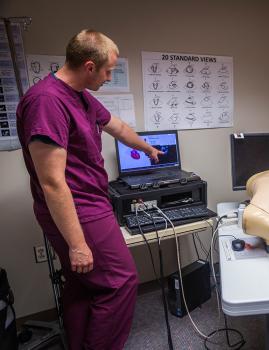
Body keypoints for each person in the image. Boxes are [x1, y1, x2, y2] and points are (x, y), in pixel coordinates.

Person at [16, 30, 163, 350]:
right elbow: (53, 182)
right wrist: (78, 244)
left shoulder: (79, 94)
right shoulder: (47, 102)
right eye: (109, 70)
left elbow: (118, 127)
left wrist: (147, 148)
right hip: (78, 209)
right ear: (89, 66)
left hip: (89, 202)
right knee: (120, 283)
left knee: (84, 285)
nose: (111, 77)